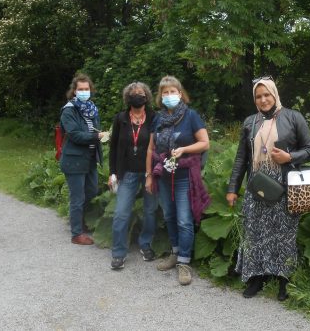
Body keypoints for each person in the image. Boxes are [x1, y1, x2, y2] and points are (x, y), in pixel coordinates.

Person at [226, 76, 310, 301]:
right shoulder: (249, 122)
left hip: (284, 185)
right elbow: (240, 159)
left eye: (267, 95)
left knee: (283, 233)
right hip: (257, 185)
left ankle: (283, 279)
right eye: (258, 96)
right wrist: (232, 188)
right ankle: (257, 277)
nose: (263, 99)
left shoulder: (293, 117)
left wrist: (290, 156)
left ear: (274, 94)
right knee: (255, 232)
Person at [145, 75, 210, 286]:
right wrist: (148, 175)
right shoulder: (157, 119)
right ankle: (174, 253)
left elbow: (204, 143)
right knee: (169, 216)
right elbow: (151, 149)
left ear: (180, 94)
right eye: (165, 92)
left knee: (184, 219)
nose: (169, 95)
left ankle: (184, 262)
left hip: (184, 177)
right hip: (163, 175)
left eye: (173, 91)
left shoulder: (191, 116)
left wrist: (184, 149)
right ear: (160, 96)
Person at [108, 82, 159, 270]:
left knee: (150, 211)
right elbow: (113, 147)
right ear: (127, 98)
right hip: (127, 172)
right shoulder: (120, 119)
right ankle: (118, 253)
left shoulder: (154, 118)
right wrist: (112, 173)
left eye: (140, 93)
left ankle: (145, 244)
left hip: (150, 173)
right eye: (133, 93)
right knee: (121, 212)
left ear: (146, 97)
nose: (137, 96)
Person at [59, 73, 105, 245]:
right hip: (74, 160)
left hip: (90, 159)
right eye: (81, 89)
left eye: (86, 89)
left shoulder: (92, 108)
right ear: (74, 91)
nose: (84, 92)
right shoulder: (69, 110)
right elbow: (74, 135)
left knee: (91, 192)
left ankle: (81, 222)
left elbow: (94, 130)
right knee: (77, 197)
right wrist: (96, 136)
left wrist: (99, 136)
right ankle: (77, 233)